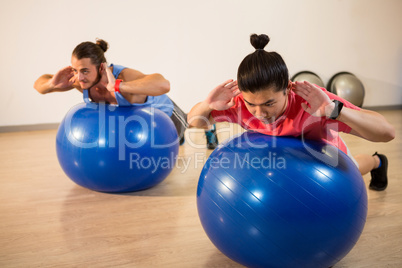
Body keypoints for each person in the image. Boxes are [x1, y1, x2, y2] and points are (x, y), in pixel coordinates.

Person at [188, 33, 395, 191]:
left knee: (354, 171)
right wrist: (208, 104)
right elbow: (195, 122)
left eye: (269, 103)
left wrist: (334, 111)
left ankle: (377, 162)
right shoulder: (240, 104)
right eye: (252, 104)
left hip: (323, 158)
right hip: (277, 165)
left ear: (287, 88)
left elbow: (387, 133)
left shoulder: (313, 102)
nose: (259, 113)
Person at [34, 39, 188, 144]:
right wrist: (52, 83)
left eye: (85, 71)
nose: (79, 77)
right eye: (75, 70)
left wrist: (118, 87)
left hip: (166, 118)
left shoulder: (123, 76)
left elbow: (163, 84)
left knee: (191, 122)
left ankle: (207, 127)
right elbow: (38, 85)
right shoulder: (81, 81)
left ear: (101, 67)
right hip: (136, 129)